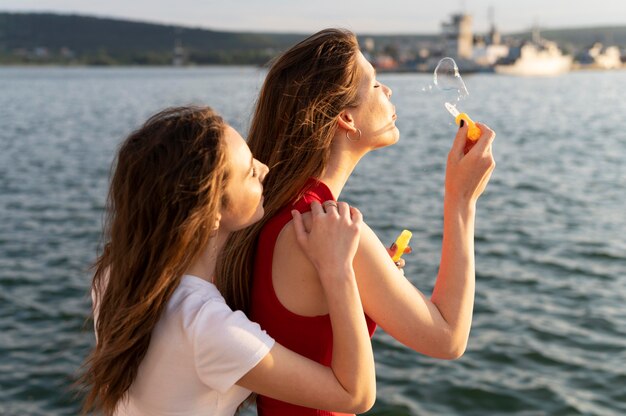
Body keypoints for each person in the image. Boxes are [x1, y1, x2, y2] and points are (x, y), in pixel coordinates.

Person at [220, 29, 497, 415]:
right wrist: (462, 201)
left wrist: (365, 274)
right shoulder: (323, 224)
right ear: (346, 118)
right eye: (375, 83)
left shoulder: (275, 212)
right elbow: (448, 339)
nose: (389, 91)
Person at [79, 106, 376, 415]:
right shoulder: (207, 326)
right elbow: (354, 394)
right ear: (209, 213)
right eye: (249, 171)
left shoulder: (115, 273)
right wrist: (338, 270)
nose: (264, 169)